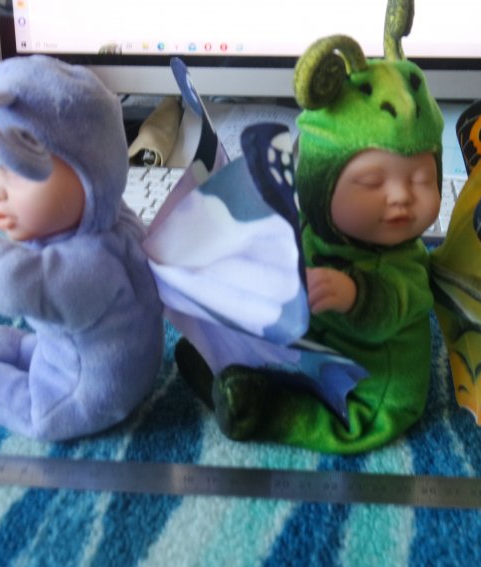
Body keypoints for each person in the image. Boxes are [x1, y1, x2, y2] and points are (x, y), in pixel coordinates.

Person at [176, 0, 445, 453]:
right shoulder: (312, 225)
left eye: (422, 180)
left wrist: (356, 295)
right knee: (226, 338)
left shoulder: (405, 263)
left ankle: (261, 413)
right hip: (306, 349)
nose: (401, 196)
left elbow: (398, 304)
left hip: (370, 385)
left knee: (347, 422)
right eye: (372, 182)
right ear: (318, 185)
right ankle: (227, 373)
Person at [0, 56, 163, 441]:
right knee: (43, 340)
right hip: (109, 355)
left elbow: (26, 283)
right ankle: (11, 349)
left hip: (88, 393)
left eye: (16, 175)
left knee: (39, 416)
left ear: (90, 175)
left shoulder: (91, 263)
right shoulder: (113, 217)